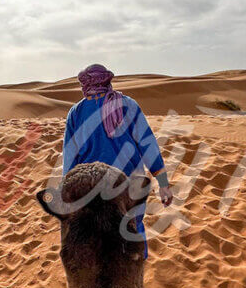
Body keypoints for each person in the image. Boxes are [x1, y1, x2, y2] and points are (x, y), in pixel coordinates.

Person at [63, 64, 172, 257]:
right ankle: (136, 275)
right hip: (128, 186)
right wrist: (163, 184)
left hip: (92, 190)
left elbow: (70, 159)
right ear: (107, 80)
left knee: (98, 240)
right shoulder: (127, 105)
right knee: (134, 234)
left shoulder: (76, 113)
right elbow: (148, 147)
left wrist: (68, 195)